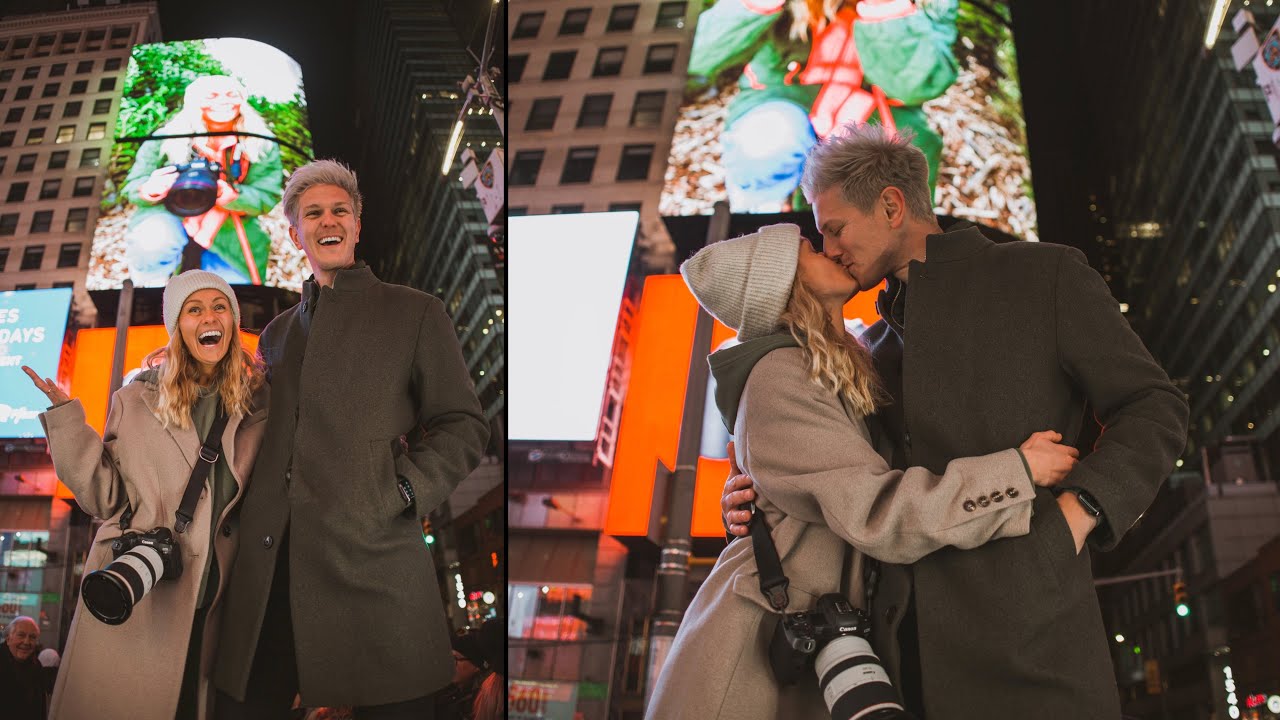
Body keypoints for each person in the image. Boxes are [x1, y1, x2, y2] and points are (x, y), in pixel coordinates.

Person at [720, 123, 1190, 718]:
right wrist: (756, 492)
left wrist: (1083, 512)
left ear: (891, 205)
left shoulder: (1044, 275)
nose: (830, 247)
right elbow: (841, 478)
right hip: (898, 664)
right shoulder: (868, 347)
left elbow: (1155, 405)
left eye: (834, 229)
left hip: (1035, 652)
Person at [645, 223, 1081, 718]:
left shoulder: (838, 366)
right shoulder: (779, 377)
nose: (829, 248)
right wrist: (1017, 473)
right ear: (785, 283)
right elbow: (875, 510)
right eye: (810, 247)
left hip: (821, 642)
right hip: (757, 654)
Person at [211, 159, 490, 719]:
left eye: (340, 210)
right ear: (296, 234)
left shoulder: (415, 312)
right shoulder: (276, 332)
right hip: (268, 578)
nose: (328, 220)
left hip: (373, 564)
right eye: (312, 213)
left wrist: (401, 492)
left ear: (358, 227)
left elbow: (464, 425)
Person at [23, 269, 269, 720]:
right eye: (194, 309)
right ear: (177, 325)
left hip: (218, 605)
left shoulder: (259, 404)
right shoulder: (134, 399)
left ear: (233, 322)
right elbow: (105, 498)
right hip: (141, 597)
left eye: (220, 307)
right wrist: (65, 419)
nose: (208, 317)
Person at [688, 0, 956, 211]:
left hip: (879, 108)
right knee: (769, 138)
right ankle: (759, 224)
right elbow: (695, 57)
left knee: (895, 172)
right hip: (781, 100)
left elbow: (920, 83)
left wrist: (884, 8)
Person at [123, 74, 284, 286]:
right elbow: (133, 185)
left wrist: (232, 196)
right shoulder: (166, 138)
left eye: (231, 94)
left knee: (234, 288)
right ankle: (152, 284)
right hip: (169, 213)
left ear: (242, 101)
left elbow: (267, 194)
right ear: (195, 101)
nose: (223, 101)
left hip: (228, 227)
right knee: (154, 242)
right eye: (212, 95)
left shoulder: (261, 143)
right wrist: (151, 188)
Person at [0, 617, 47, 720]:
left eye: (32, 637)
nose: (26, 642)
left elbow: (40, 707)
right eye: (21, 635)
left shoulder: (37, 666)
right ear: (8, 639)